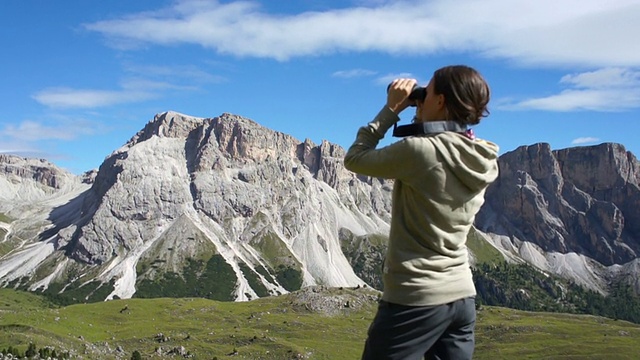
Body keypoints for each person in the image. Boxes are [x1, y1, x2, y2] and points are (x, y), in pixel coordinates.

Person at [344, 65, 499, 360]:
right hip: (462, 299)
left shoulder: (420, 152)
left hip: (415, 298)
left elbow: (355, 158)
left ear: (440, 101)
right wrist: (421, 112)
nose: (420, 98)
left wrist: (391, 109)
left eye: (426, 94)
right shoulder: (484, 156)